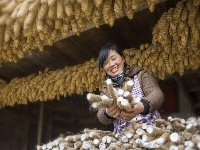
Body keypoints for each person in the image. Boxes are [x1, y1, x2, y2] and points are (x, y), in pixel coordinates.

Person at [97, 43, 164, 134]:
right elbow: (100, 114)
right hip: (123, 137)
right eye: (106, 63)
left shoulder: (141, 75)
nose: (111, 64)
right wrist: (107, 113)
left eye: (113, 59)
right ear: (104, 68)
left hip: (150, 130)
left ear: (122, 58)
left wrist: (140, 107)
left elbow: (156, 94)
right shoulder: (106, 89)